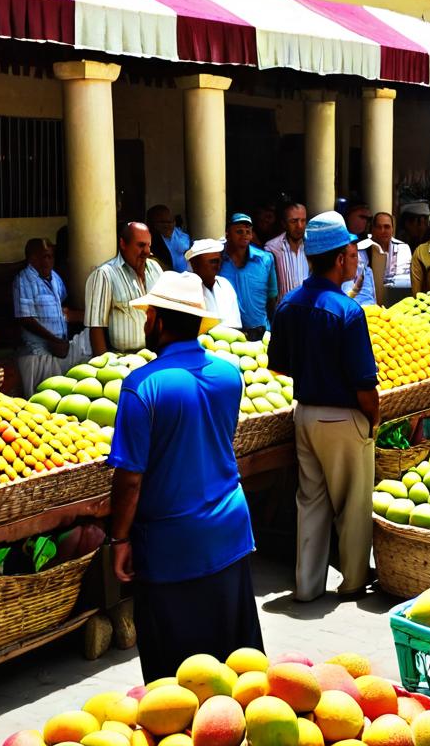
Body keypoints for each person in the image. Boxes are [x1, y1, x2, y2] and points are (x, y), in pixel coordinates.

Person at [108, 271, 263, 682]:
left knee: (174, 678)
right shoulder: (230, 375)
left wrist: (119, 539)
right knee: (237, 663)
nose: (145, 323)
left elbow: (129, 479)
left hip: (170, 543)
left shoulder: (141, 386)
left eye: (148, 315)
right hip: (228, 529)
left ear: (158, 319)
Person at [269, 212, 380, 602]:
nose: (356, 261)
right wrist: (373, 419)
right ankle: (352, 582)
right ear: (337, 260)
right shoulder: (348, 312)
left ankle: (307, 586)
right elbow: (365, 384)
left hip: (305, 415)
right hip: (343, 416)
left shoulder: (288, 305)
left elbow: (278, 364)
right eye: (352, 255)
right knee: (353, 503)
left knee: (311, 501)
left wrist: (311, 363)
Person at [14, 238, 89, 396]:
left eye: (51, 257)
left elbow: (60, 307)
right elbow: (25, 318)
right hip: (37, 354)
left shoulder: (54, 277)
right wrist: (52, 340)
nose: (48, 261)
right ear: (32, 259)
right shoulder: (24, 280)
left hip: (58, 349)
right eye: (44, 257)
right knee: (41, 399)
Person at [85, 222, 164, 355]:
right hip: (122, 359)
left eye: (148, 245)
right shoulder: (105, 274)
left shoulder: (155, 269)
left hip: (155, 355)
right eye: (140, 245)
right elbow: (96, 327)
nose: (146, 251)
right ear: (123, 244)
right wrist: (106, 364)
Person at [221, 213, 277, 341]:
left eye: (248, 231)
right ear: (227, 233)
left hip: (260, 332)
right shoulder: (219, 260)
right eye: (239, 231)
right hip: (227, 334)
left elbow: (272, 297)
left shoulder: (265, 259)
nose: (244, 235)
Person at [187, 239, 242, 329]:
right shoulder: (186, 287)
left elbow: (235, 324)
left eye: (219, 261)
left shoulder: (225, 285)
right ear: (194, 264)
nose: (218, 265)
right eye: (213, 261)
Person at [266, 202, 310, 301]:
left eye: (303, 221)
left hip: (307, 310)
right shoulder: (272, 248)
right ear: (284, 224)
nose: (299, 226)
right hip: (283, 312)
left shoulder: (311, 245)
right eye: (294, 221)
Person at [368, 212, 411, 290]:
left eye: (386, 227)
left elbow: (405, 277)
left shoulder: (403, 248)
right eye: (378, 227)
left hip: (397, 293)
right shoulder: (361, 248)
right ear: (372, 229)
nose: (382, 231)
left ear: (392, 229)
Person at [146, 204, 189, 273]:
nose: (167, 225)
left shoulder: (181, 235)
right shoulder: (149, 241)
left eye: (170, 222)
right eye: (162, 222)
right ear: (151, 223)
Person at [343, 238, 377, 306]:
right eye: (352, 256)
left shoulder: (366, 270)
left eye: (356, 256)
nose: (356, 260)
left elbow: (371, 297)